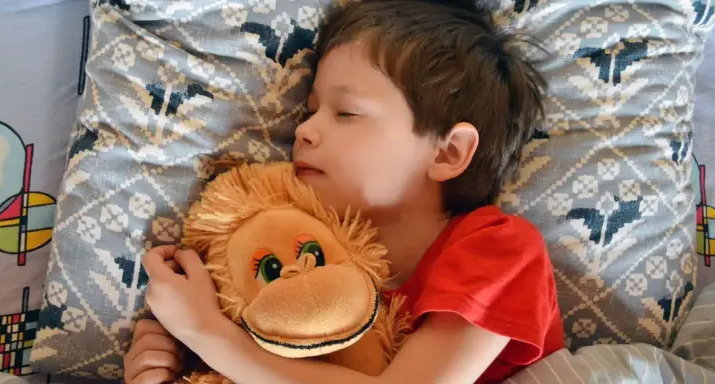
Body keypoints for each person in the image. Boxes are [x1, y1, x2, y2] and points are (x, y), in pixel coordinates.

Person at [124, 1, 564, 383]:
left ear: (448, 152)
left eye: (347, 112)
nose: (304, 130)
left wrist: (208, 333)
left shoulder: (499, 249)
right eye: (311, 110)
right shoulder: (294, 255)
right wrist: (172, 361)